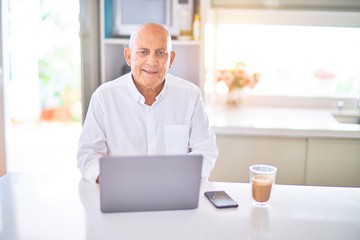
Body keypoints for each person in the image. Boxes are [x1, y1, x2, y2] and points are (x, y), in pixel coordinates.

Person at [77, 23, 218, 184]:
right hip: (121, 193)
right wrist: (112, 180)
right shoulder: (103, 98)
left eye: (160, 53)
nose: (152, 61)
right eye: (143, 52)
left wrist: (177, 179)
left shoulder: (191, 96)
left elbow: (206, 150)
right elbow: (87, 154)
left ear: (170, 59)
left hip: (175, 193)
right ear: (129, 57)